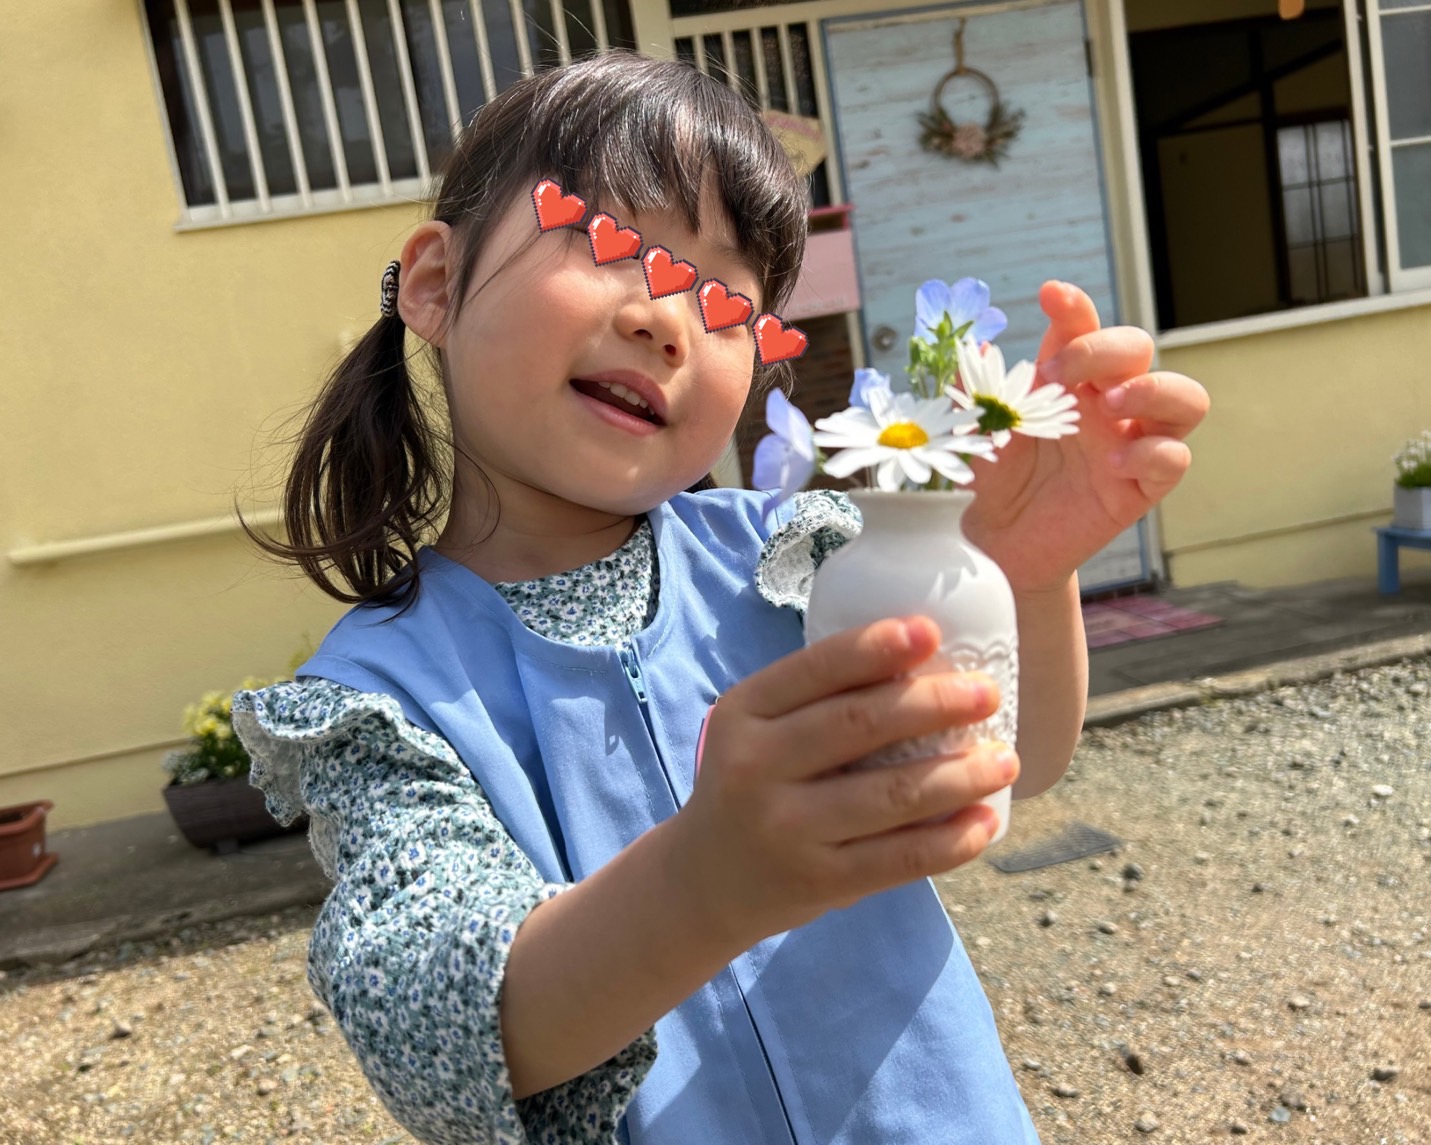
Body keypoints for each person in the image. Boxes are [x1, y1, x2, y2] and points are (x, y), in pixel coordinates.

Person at [232, 50, 1209, 1145]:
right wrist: (710, 877)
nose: (669, 320)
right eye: (607, 240)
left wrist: (1015, 578)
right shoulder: (380, 701)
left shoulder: (797, 554)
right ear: (434, 283)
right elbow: (442, 1030)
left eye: (727, 302)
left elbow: (1008, 753)